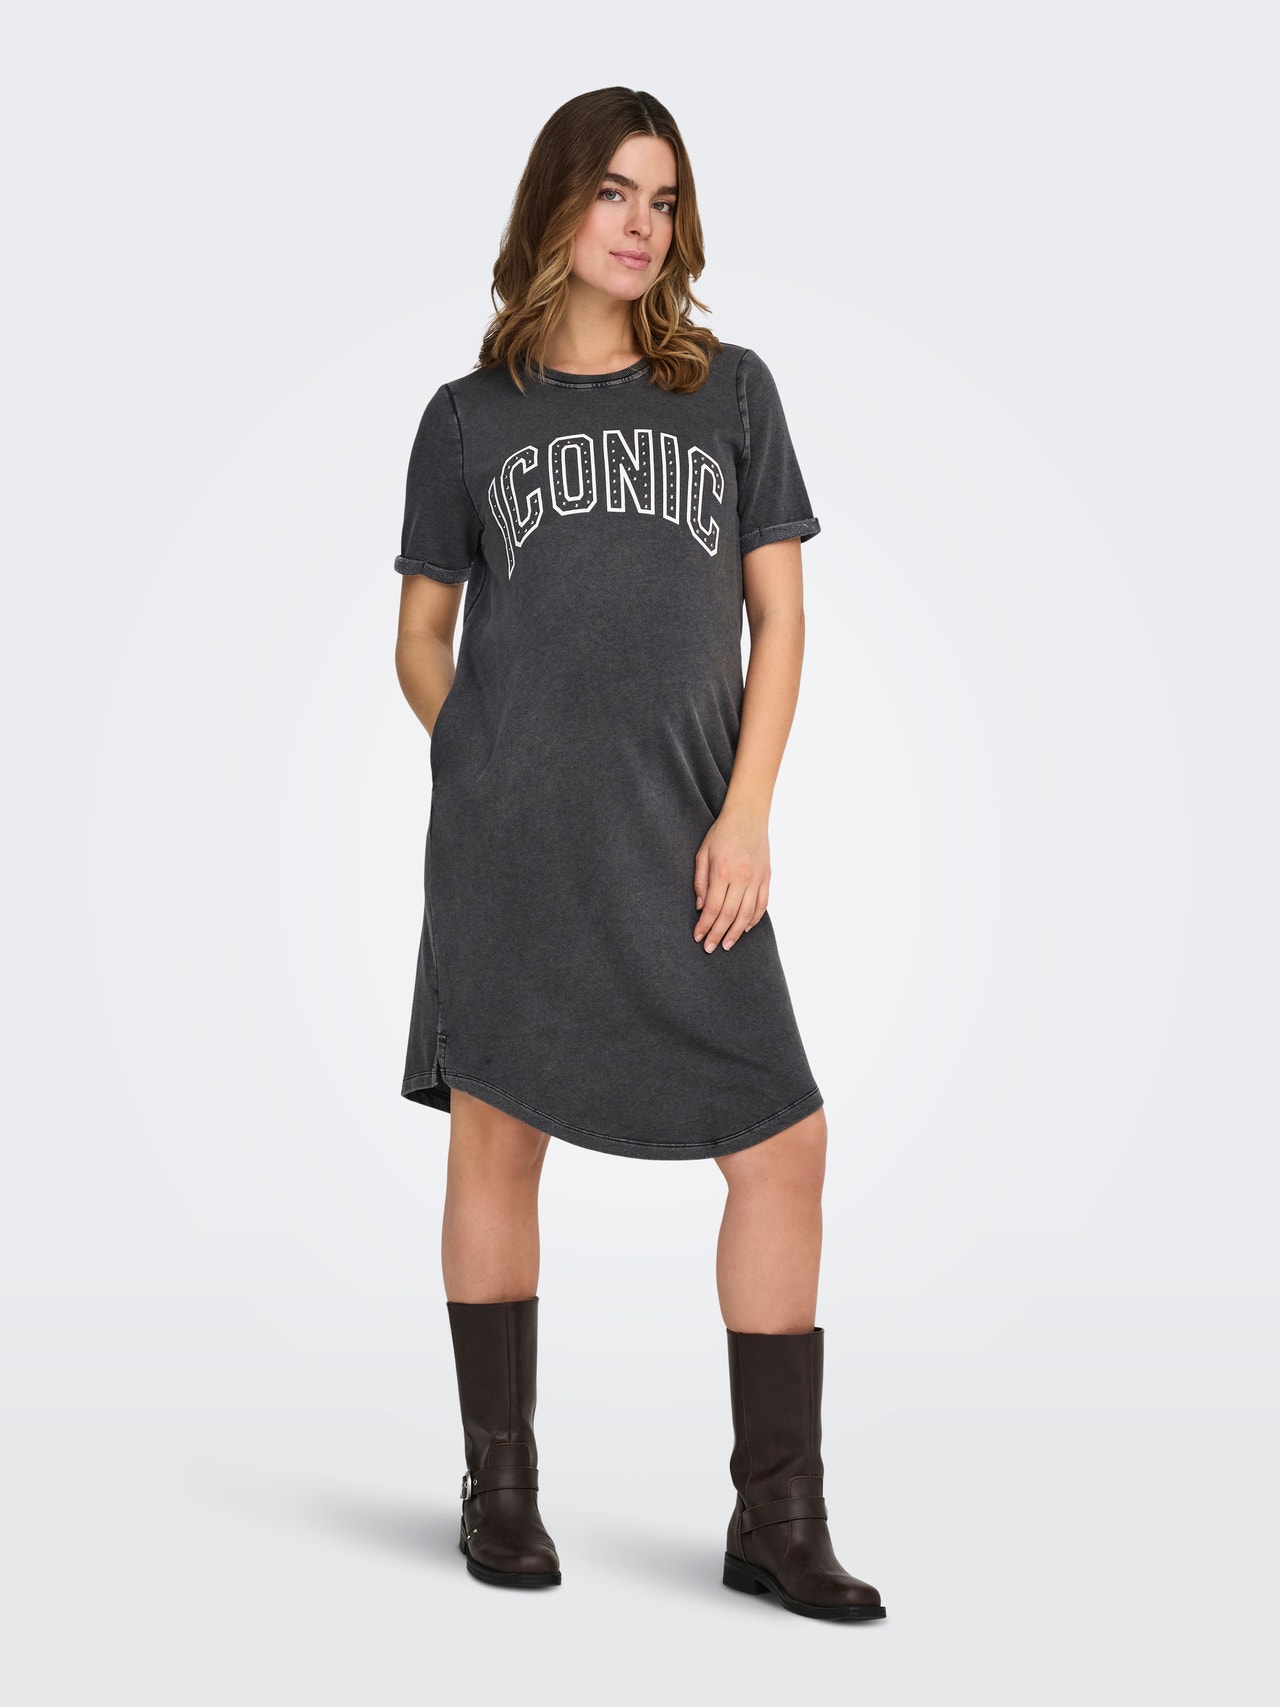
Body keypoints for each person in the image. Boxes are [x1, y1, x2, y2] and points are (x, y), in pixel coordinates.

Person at [392, 86, 885, 1623]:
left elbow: (779, 618)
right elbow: (420, 638)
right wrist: (483, 758)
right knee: (497, 1136)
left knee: (782, 1142)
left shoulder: (730, 393)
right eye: (614, 190)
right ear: (556, 203)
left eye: (663, 199)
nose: (641, 223)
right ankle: (501, 1494)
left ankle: (777, 1517)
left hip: (686, 838)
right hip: (513, 851)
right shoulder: (467, 420)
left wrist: (746, 814)